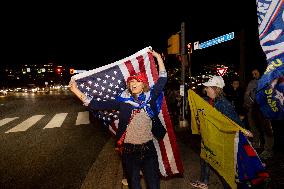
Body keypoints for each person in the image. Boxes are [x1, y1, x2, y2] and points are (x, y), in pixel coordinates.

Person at [69, 50, 167, 189]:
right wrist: (76, 91)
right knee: (134, 185)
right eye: (131, 82)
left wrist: (157, 57)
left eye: (137, 81)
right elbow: (95, 104)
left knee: (154, 185)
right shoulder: (123, 102)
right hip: (129, 151)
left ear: (143, 84)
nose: (133, 84)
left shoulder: (150, 98)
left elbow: (162, 79)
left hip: (148, 150)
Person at [190, 75, 253, 189]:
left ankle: (229, 185)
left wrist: (244, 130)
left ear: (215, 89)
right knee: (205, 157)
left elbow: (234, 120)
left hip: (221, 140)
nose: (205, 89)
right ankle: (204, 181)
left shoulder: (224, 104)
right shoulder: (208, 101)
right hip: (210, 137)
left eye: (208, 87)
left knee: (221, 166)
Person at [244, 68, 274, 160]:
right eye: (252, 73)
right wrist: (247, 104)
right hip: (253, 107)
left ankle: (268, 150)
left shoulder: (267, 80)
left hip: (264, 107)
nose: (254, 75)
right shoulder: (251, 83)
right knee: (253, 126)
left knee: (267, 129)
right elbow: (247, 94)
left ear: (260, 72)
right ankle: (256, 143)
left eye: (255, 73)